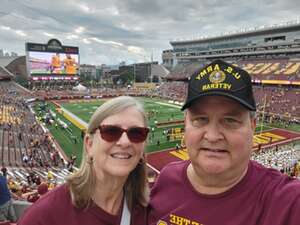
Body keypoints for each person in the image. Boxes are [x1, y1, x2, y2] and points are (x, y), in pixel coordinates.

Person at [148, 59, 300, 225]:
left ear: (252, 126)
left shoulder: (286, 202)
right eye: (200, 119)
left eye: (230, 120)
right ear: (186, 124)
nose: (212, 136)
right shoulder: (166, 179)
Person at [18, 96, 150, 225]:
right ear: (89, 144)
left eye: (137, 133)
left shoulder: (147, 211)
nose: (125, 142)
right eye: (111, 131)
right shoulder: (45, 215)